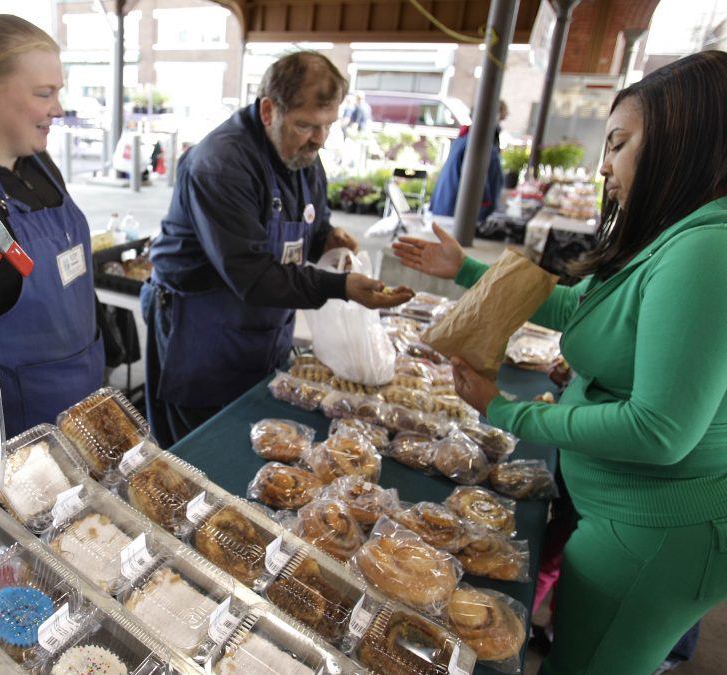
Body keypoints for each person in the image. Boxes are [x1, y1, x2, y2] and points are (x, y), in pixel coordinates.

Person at [393, 50, 727, 674]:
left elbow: (659, 432)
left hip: (656, 536)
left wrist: (508, 413)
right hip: (627, 519)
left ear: (685, 143)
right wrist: (465, 270)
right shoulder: (682, 233)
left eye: (619, 144)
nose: (603, 166)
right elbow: (592, 309)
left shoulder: (707, 251)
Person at [142, 51, 413, 448]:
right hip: (204, 331)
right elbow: (252, 275)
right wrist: (339, 286)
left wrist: (327, 238)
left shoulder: (303, 155)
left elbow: (311, 222)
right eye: (306, 125)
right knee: (200, 453)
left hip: (262, 330)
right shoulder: (220, 165)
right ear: (269, 110)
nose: (319, 139)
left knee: (253, 438)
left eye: (328, 125)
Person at [0, 15, 103, 438]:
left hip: (85, 385)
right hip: (25, 416)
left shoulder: (40, 163)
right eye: (44, 93)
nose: (57, 108)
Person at [429, 100, 507, 222]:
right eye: (500, 118)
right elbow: (480, 184)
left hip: (446, 208)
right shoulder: (479, 143)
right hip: (457, 214)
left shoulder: (465, 138)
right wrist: (483, 211)